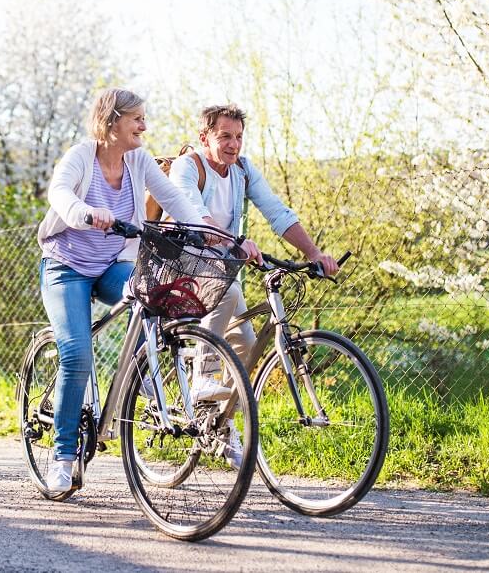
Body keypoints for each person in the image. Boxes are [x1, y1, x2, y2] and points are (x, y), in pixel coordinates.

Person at [36, 87, 207, 495]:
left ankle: (144, 375)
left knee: (154, 298)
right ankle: (63, 456)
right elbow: (59, 192)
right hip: (67, 267)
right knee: (77, 355)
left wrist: (203, 231)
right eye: (137, 119)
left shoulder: (138, 160)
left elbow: (172, 197)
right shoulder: (82, 156)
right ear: (112, 121)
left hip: (113, 264)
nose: (144, 126)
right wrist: (83, 212)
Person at [168, 103, 339, 467]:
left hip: (221, 268)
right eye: (224, 136)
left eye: (239, 137)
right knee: (227, 291)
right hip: (179, 266)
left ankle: (220, 424)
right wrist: (232, 243)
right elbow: (193, 215)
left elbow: (276, 212)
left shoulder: (242, 170)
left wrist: (314, 254)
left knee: (248, 350)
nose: (233, 144)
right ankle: (202, 379)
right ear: (205, 137)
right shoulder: (189, 167)